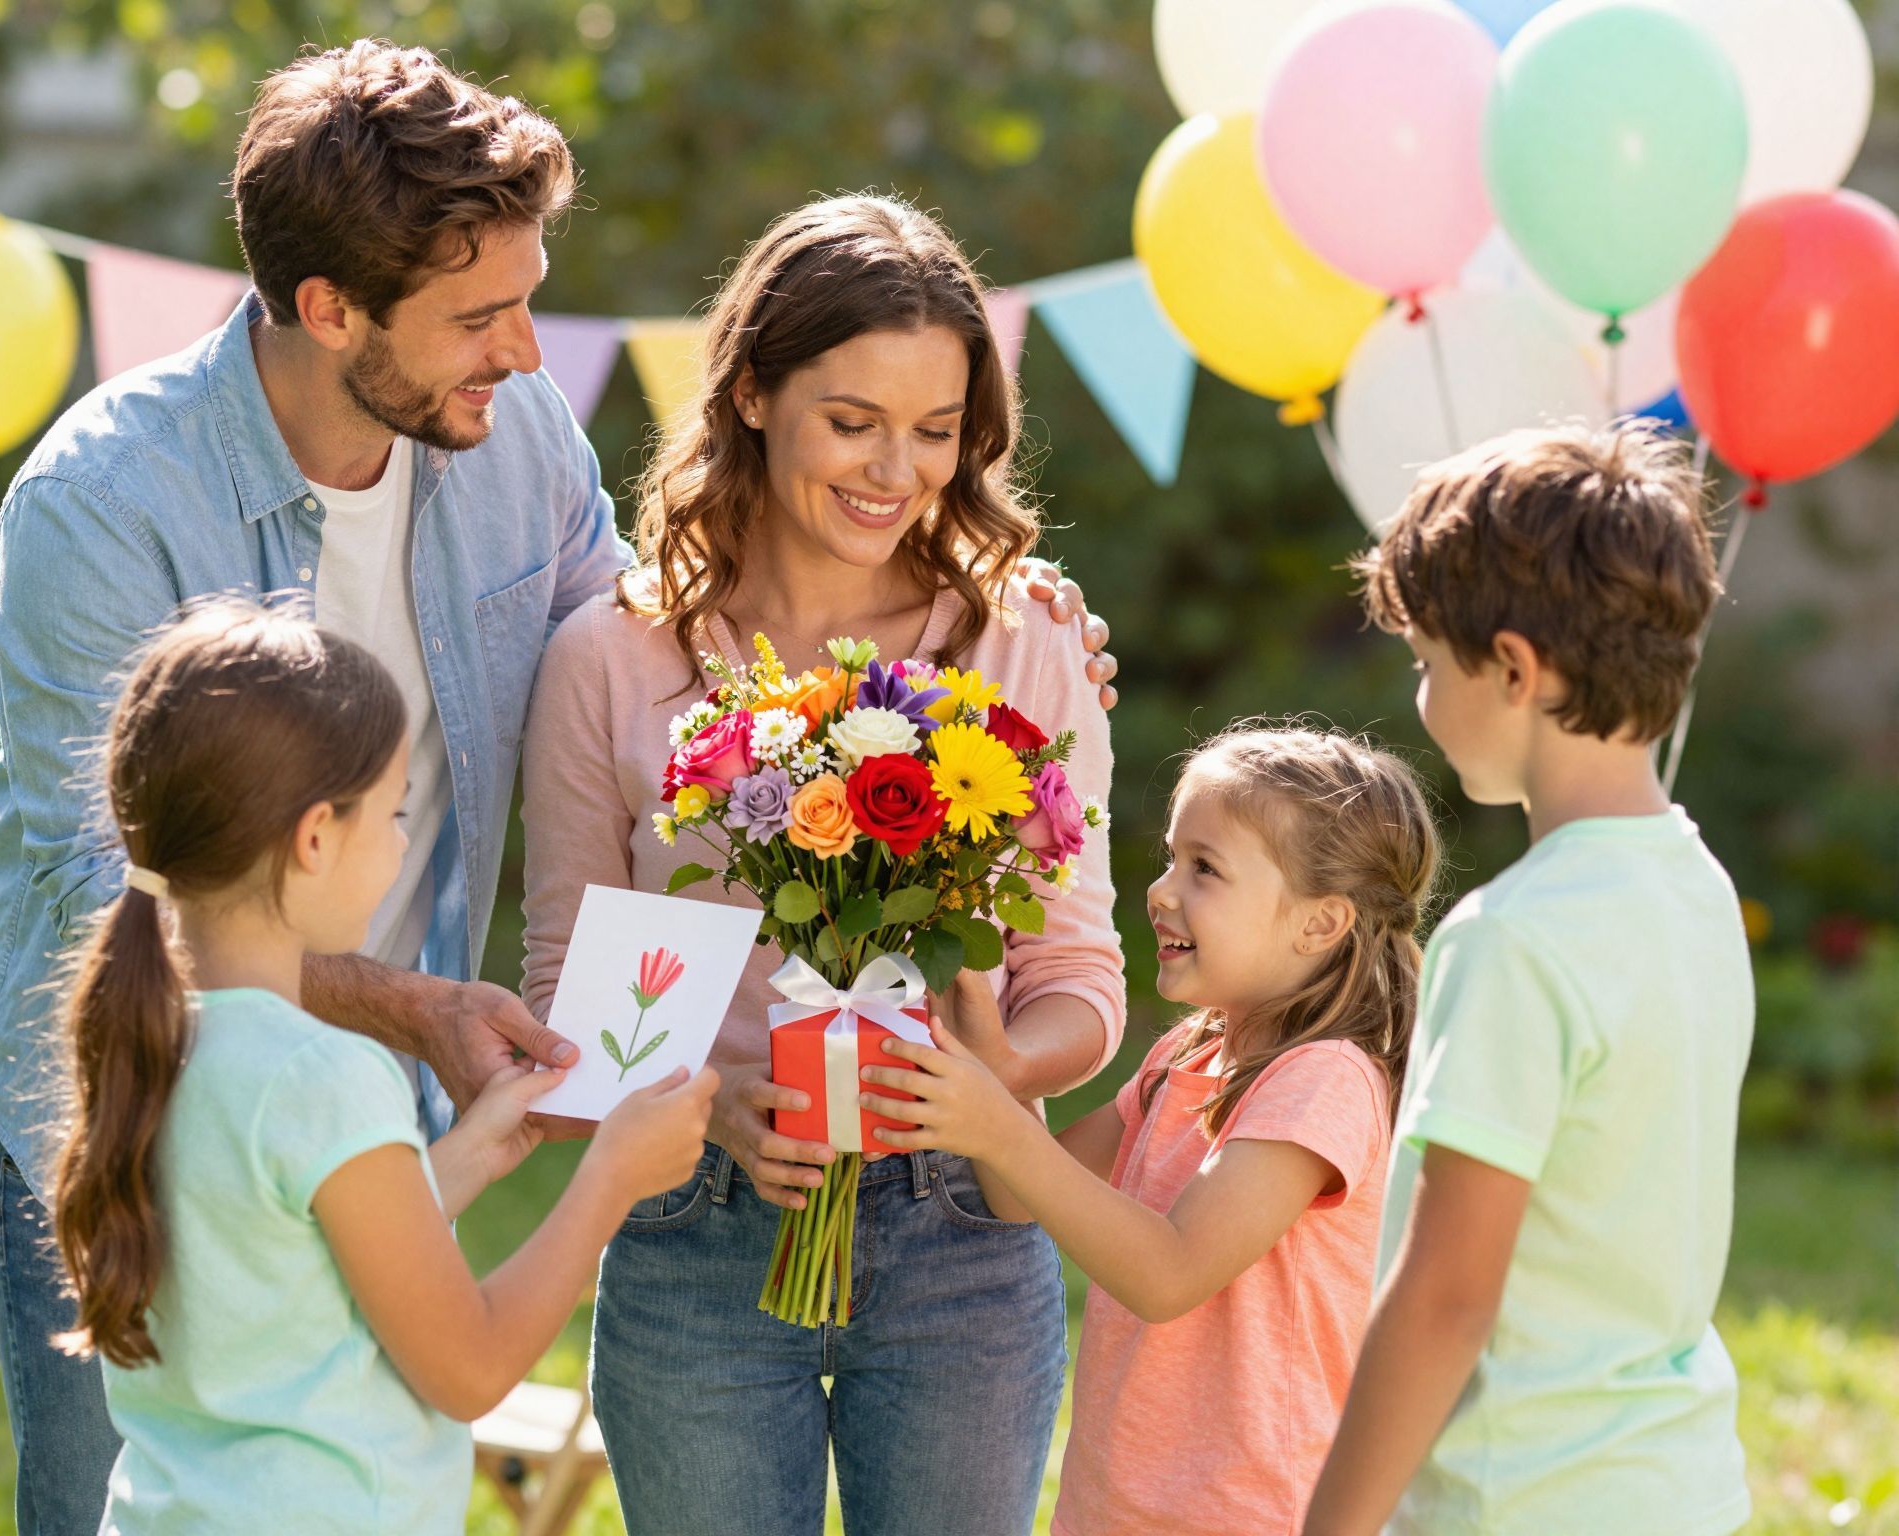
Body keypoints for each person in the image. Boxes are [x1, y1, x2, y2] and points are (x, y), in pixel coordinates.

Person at [0, 38, 1120, 1532]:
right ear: (329, 309)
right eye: (482, 314)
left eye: (526, 296)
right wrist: (417, 1005)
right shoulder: (104, 509)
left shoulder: (511, 442)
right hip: (142, 1105)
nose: (524, 349)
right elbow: (109, 893)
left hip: (381, 1107)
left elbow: (662, 660)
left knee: (356, 1488)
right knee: (137, 1496)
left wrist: (994, 626)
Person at [519, 193, 1126, 1535]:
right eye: (852, 422)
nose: (892, 471)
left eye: (935, 432)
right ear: (747, 392)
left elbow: (1078, 971)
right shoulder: (613, 662)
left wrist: (992, 1083)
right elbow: (578, 1008)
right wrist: (720, 1103)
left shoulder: (1015, 641)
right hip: (696, 1237)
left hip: (965, 1230)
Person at [50, 602, 714, 1533]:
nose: (404, 844)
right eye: (393, 813)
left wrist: (468, 1155)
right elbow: (470, 1368)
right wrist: (612, 1178)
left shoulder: (156, 1041)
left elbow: (288, 1263)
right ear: (316, 837)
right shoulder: (322, 1074)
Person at [1304, 423, 1753, 1535]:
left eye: (1424, 664)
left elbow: (1447, 1298)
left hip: (1521, 1503)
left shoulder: (1508, 939)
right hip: (1677, 1489)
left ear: (1510, 668)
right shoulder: (1697, 889)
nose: (1417, 696)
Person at [867, 723, 1440, 1535]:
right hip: (1120, 1507)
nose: (1162, 890)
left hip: (1251, 1514)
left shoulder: (1324, 1080)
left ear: (1321, 924)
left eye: (1204, 868)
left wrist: (1000, 1126)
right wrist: (993, 1055)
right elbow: (1018, 1196)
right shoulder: (1187, 1054)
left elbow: (1169, 1273)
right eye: (1173, 857)